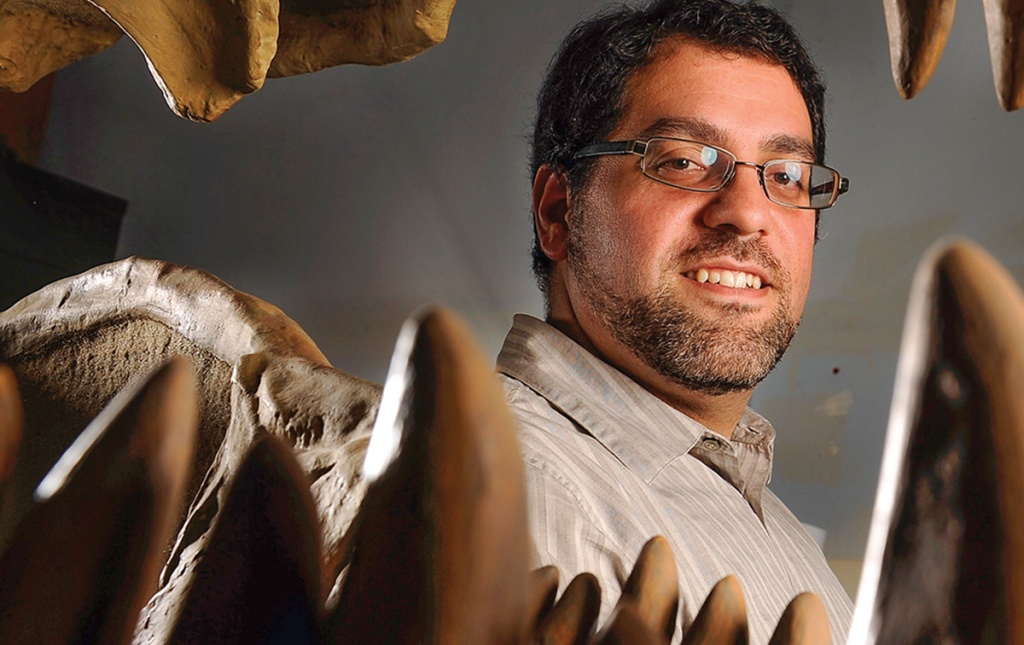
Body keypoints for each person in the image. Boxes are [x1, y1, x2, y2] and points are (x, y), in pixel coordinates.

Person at [495, 0, 854, 642]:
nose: (747, 213)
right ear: (558, 211)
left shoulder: (773, 522)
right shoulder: (521, 495)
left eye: (789, 176)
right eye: (684, 161)